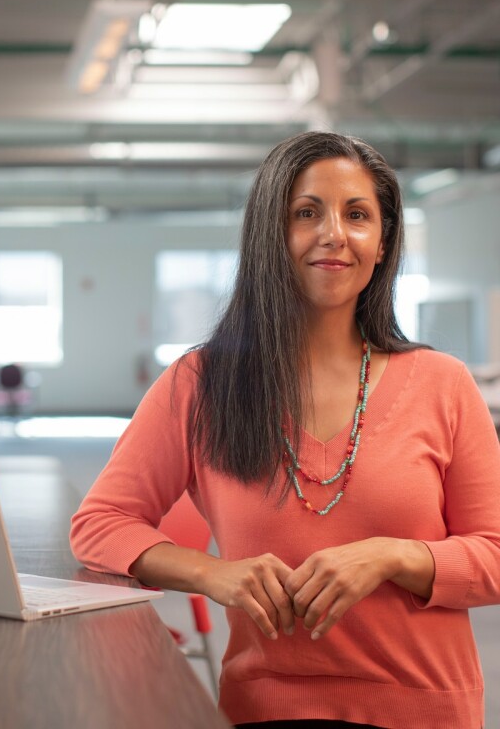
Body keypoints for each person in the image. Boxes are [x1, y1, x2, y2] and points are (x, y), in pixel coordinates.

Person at [70, 131, 500, 729]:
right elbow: (99, 525)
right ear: (271, 238)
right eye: (306, 213)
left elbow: (496, 554)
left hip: (424, 710)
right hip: (266, 709)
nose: (334, 234)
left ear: (383, 243)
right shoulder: (201, 383)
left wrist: (394, 556)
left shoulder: (443, 383)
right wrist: (211, 573)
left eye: (357, 215)